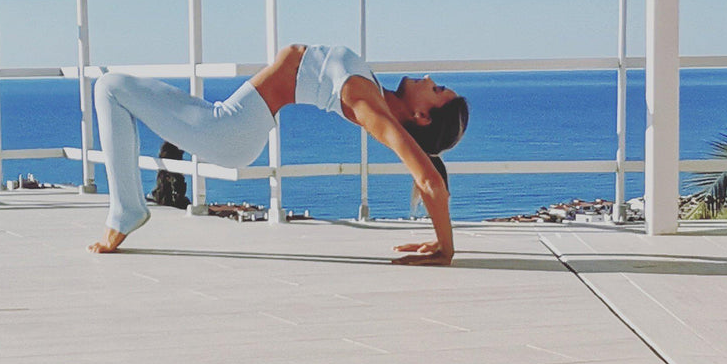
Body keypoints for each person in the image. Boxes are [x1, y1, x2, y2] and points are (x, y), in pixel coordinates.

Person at [88, 43, 469, 264]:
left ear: (422, 116)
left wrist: (445, 249)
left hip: (227, 131)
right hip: (229, 124)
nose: (429, 80)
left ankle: (125, 212)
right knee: (111, 89)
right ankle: (127, 210)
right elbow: (430, 175)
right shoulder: (375, 94)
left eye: (437, 91)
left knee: (109, 87)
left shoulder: (367, 104)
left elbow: (428, 179)